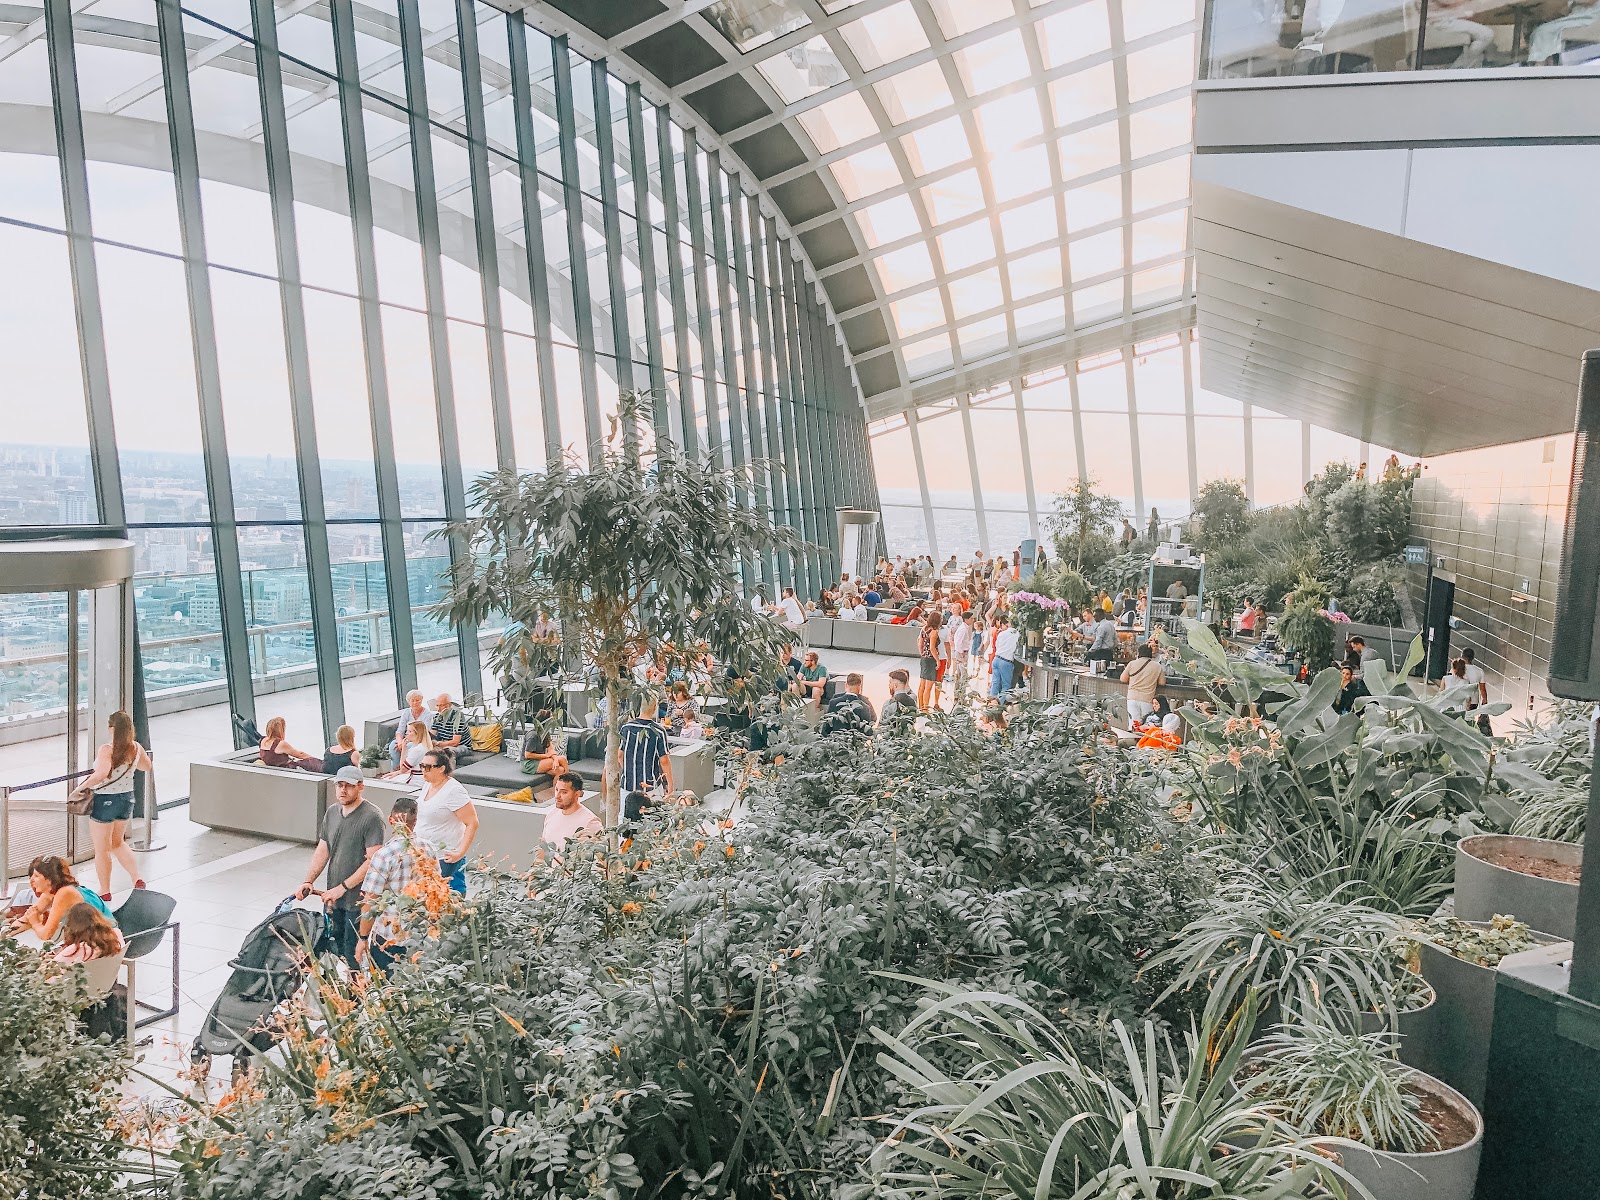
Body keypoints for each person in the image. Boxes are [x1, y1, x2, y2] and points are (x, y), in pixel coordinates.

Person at [294, 767, 386, 965]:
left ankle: (355, 992)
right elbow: (323, 848)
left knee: (353, 952)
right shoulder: (332, 812)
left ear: (361, 787)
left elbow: (373, 861)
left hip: (357, 900)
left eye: (349, 786)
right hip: (334, 899)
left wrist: (342, 888)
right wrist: (308, 880)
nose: (343, 790)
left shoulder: (371, 817)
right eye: (340, 785)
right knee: (335, 950)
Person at [78, 709, 151, 900]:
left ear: (112, 728)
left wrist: (82, 786)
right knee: (118, 843)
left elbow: (101, 774)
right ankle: (137, 878)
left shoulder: (107, 749)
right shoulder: (136, 748)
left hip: (105, 800)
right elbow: (147, 766)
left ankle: (105, 890)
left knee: (102, 849)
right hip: (127, 799)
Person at [356, 794, 420, 974]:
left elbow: (370, 901)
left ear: (391, 821)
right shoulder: (428, 849)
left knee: (385, 991)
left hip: (387, 937)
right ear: (415, 822)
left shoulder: (384, 856)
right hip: (419, 936)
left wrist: (363, 938)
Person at [414, 749, 478, 894]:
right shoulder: (428, 785)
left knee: (444, 894)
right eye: (422, 766)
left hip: (444, 856)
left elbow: (472, 822)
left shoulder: (454, 791)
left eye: (428, 767)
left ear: (442, 768)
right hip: (426, 853)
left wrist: (460, 852)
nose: (424, 770)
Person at [6, 856, 113, 942]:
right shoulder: (50, 891)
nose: (31, 881)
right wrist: (4, 933)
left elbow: (46, 934)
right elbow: (27, 919)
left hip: (104, 937)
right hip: (89, 934)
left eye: (36, 876)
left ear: (49, 880)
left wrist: (35, 923)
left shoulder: (65, 893)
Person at [619, 695, 673, 796]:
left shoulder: (626, 728)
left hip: (627, 784)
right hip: (650, 785)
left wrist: (627, 771)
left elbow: (620, 755)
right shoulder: (658, 731)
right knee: (653, 811)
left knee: (626, 811)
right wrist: (670, 783)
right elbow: (664, 761)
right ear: (654, 707)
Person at [49, 901, 123, 966]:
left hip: (85, 981)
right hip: (109, 978)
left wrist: (52, 959)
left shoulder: (75, 950)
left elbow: (51, 974)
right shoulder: (115, 934)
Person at [542, 771, 602, 846]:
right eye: (556, 790)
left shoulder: (590, 822)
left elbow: (600, 853)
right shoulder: (551, 814)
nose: (557, 796)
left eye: (564, 792)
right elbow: (543, 847)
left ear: (577, 794)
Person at [260, 716, 324, 774]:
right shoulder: (280, 744)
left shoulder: (264, 740)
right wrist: (314, 758)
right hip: (286, 770)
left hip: (274, 769)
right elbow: (299, 754)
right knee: (313, 764)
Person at [1122, 644, 1165, 729]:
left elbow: (1123, 679)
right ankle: (1144, 741)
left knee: (1133, 723)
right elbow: (1162, 682)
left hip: (1132, 697)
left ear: (1139, 653)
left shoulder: (1132, 664)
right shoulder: (1157, 666)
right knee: (1146, 725)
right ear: (1150, 653)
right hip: (1147, 699)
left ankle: (1133, 741)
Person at [390, 690, 428, 769]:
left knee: (409, 746)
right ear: (408, 702)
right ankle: (396, 768)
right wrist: (400, 743)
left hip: (419, 740)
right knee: (393, 745)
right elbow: (400, 730)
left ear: (421, 700)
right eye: (412, 700)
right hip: (407, 738)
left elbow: (425, 733)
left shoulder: (427, 714)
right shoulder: (406, 712)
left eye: (417, 700)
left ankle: (406, 768)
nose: (415, 703)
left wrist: (406, 743)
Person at [916, 614, 941, 712]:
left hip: (924, 658)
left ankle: (921, 705)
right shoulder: (934, 632)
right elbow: (932, 648)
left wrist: (921, 652)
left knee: (922, 684)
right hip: (931, 659)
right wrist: (938, 660)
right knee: (929, 686)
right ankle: (926, 707)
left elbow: (919, 642)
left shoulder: (924, 629)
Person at [990, 617, 1020, 697]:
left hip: (996, 659)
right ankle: (999, 703)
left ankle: (991, 702)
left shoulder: (1002, 633)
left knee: (995, 682)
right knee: (1006, 686)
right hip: (1006, 661)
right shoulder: (1018, 634)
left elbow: (997, 645)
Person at [948, 610, 975, 701]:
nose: (973, 620)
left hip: (961, 652)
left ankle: (957, 692)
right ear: (966, 619)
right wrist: (961, 654)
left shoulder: (965, 628)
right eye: (971, 618)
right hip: (961, 653)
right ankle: (961, 693)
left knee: (959, 673)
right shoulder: (963, 629)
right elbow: (958, 642)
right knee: (963, 674)